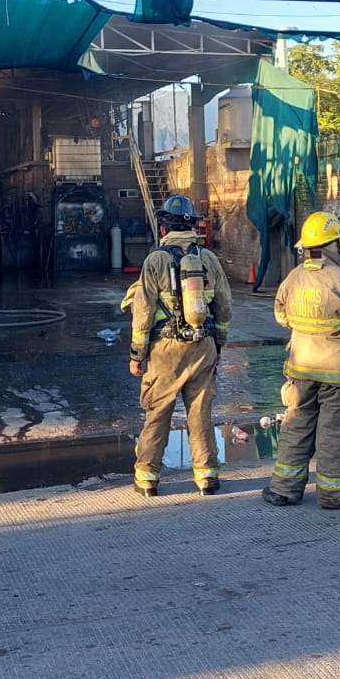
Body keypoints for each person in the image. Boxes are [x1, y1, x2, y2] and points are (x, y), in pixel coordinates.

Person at [263, 211, 340, 510]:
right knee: (336, 433)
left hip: (301, 368)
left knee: (296, 425)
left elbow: (281, 317)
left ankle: (283, 489)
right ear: (333, 245)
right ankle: (332, 495)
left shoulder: (293, 277)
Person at [128, 195, 234, 497]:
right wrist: (219, 342)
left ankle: (147, 480)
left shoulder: (155, 260)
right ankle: (207, 478)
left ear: (163, 229)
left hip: (165, 351)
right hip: (203, 346)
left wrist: (137, 355)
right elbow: (224, 306)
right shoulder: (208, 258)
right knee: (200, 414)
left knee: (158, 413)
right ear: (193, 225)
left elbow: (143, 312)